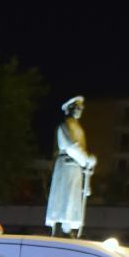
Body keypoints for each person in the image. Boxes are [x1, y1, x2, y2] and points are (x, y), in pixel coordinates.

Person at [45, 96, 96, 238]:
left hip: (76, 168)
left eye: (81, 108)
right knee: (64, 198)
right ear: (69, 109)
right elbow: (71, 147)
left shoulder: (79, 129)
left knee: (72, 199)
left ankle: (69, 227)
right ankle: (61, 227)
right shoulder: (64, 126)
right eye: (77, 107)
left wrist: (87, 165)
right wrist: (86, 160)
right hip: (66, 166)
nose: (80, 110)